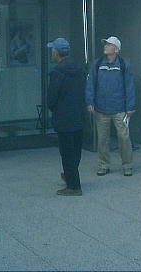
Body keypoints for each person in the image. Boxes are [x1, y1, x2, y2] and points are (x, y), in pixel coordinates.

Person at [85, 36, 136, 176]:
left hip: (120, 109)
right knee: (102, 139)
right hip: (101, 109)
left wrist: (130, 106)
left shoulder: (124, 65)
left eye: (109, 44)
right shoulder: (96, 64)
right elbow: (90, 84)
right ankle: (103, 165)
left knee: (124, 138)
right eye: (105, 44)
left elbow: (129, 86)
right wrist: (89, 102)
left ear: (116, 50)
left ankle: (127, 165)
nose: (105, 46)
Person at [47, 37, 86, 196]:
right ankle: (70, 175)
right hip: (79, 115)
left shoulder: (57, 72)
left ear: (56, 53)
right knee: (75, 150)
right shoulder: (80, 68)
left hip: (63, 117)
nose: (51, 52)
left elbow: (52, 98)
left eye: (52, 50)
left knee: (66, 152)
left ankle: (74, 186)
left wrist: (53, 108)